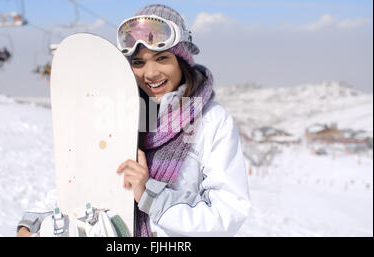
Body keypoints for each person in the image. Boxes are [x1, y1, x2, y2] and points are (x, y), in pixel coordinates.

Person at [17, 4, 250, 237]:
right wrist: (37, 221)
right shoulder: (118, 113)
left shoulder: (211, 121)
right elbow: (81, 178)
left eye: (162, 58)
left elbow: (226, 214)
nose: (150, 74)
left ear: (182, 61)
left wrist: (152, 195)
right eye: (138, 63)